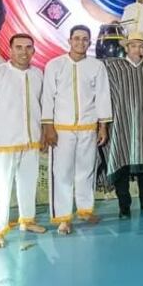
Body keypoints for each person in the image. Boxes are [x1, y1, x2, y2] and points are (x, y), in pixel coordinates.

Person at [41, 25, 113, 235]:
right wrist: (48, 127)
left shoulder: (96, 66)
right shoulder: (55, 65)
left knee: (86, 170)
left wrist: (103, 126)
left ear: (89, 43)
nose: (80, 42)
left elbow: (102, 96)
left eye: (85, 39)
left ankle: (85, 210)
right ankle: (63, 218)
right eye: (77, 38)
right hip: (62, 129)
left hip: (88, 127)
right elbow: (48, 97)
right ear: (70, 41)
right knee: (62, 173)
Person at [0, 34, 46, 248]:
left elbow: (43, 105)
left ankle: (27, 220)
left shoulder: (38, 74)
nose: (23, 52)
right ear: (10, 49)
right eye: (19, 47)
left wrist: (44, 132)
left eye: (28, 47)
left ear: (33, 50)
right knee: (1, 187)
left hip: (31, 140)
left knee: (28, 183)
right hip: (3, 142)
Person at [102, 32, 143, 218]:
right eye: (133, 46)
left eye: (141, 46)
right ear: (126, 48)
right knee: (121, 163)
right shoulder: (113, 67)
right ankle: (124, 207)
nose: (137, 49)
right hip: (121, 124)